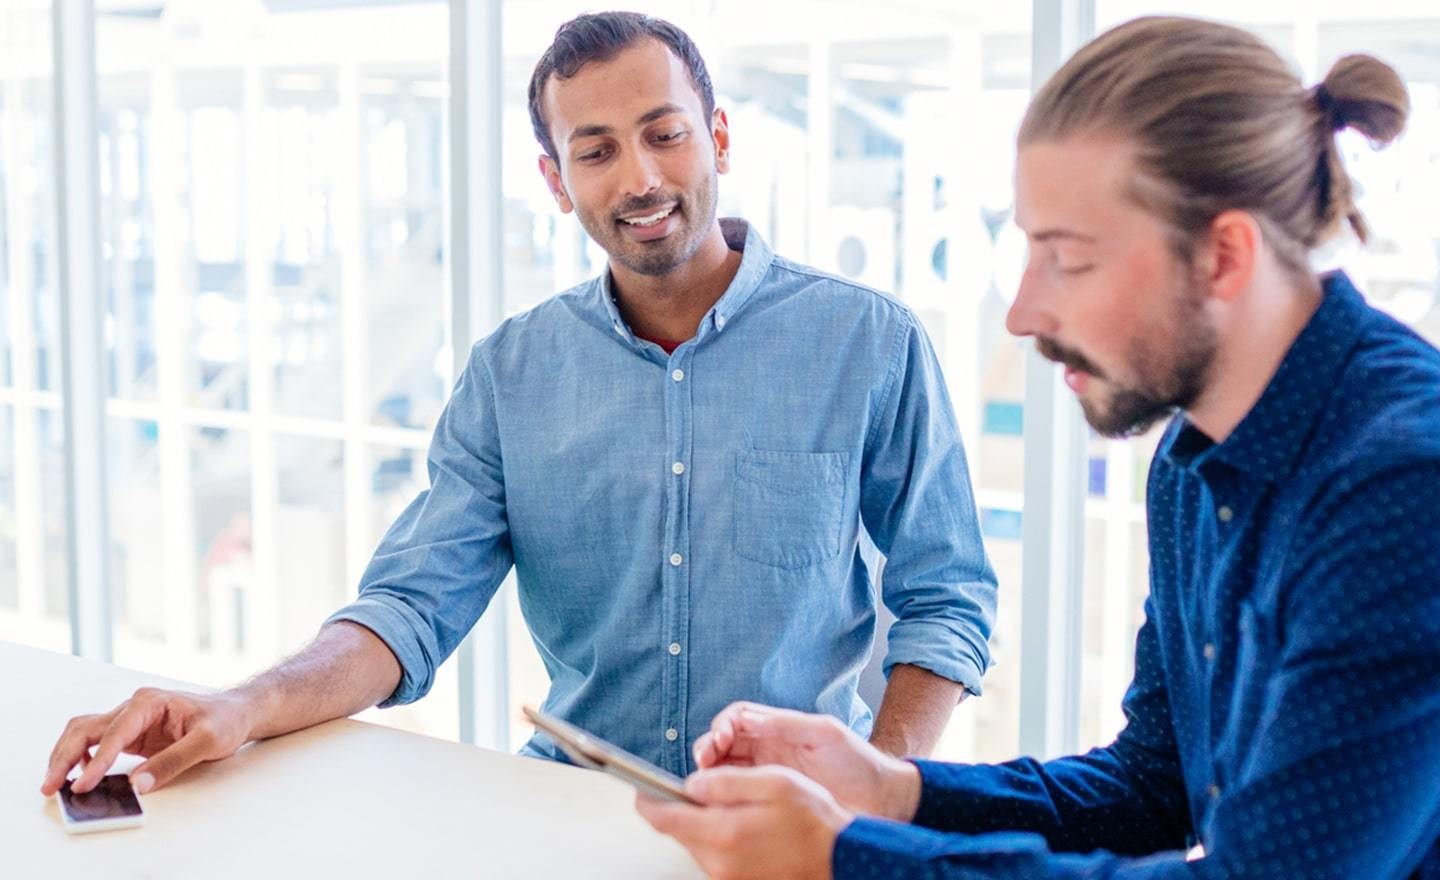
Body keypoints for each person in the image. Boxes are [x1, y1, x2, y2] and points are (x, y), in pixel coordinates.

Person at [41, 11, 997, 800]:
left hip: (798, 813)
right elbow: (409, 608)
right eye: (597, 150)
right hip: (569, 809)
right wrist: (237, 706)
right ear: (556, 180)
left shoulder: (867, 342)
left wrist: (879, 791)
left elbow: (944, 597)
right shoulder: (510, 375)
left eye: (665, 133)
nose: (642, 178)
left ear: (720, 137)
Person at [636, 15, 1440, 879]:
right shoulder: (1193, 456)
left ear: (1223, 256)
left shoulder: (1403, 487)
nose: (1021, 313)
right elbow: (1151, 788)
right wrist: (887, 790)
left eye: (1069, 259)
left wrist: (848, 859)